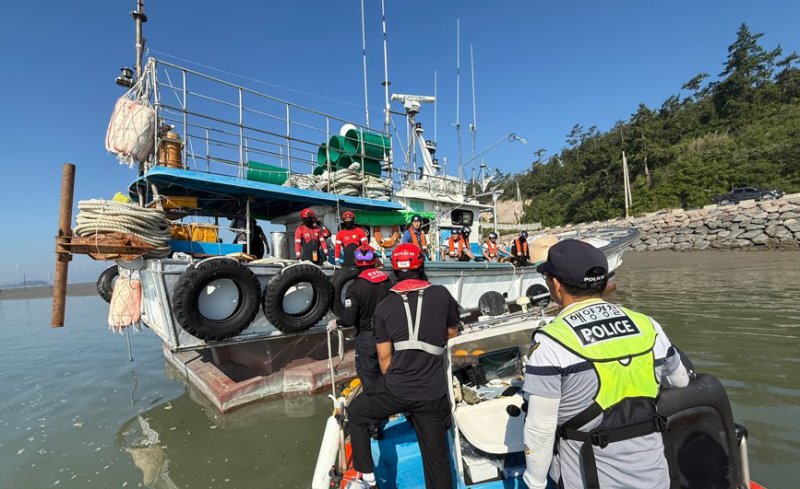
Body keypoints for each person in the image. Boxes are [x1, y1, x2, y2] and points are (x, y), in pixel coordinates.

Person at [522, 239, 690, 489]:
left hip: (588, 479)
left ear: (556, 285)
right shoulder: (648, 325)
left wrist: (534, 482)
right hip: (655, 475)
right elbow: (681, 381)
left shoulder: (551, 341)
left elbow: (541, 428)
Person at [346, 243, 459, 489]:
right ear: (421, 265)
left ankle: (368, 477)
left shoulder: (384, 307)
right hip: (433, 395)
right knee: (437, 460)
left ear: (394, 270)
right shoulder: (441, 294)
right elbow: (452, 333)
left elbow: (384, 360)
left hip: (397, 391)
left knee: (356, 413)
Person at [328, 244, 392, 388]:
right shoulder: (387, 281)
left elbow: (349, 319)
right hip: (388, 335)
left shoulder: (355, 287)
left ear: (356, 262)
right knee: (388, 370)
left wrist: (337, 322)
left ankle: (373, 404)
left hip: (367, 337)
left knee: (368, 374)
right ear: (374, 260)